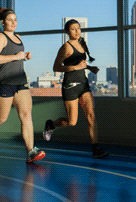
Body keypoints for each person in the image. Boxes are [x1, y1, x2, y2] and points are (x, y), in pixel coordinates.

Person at [0, 7, 45, 163]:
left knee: (27, 115)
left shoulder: (18, 37)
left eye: (15, 19)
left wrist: (24, 58)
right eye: (10, 20)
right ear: (3, 22)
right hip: (4, 82)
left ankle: (31, 152)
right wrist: (15, 56)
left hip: (20, 81)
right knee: (1, 118)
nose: (13, 22)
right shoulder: (0, 38)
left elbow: (16, 58)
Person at [43, 19, 109, 159]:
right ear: (67, 32)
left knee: (91, 116)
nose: (77, 31)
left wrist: (90, 68)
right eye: (73, 29)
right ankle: (51, 125)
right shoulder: (65, 47)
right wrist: (75, 67)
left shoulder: (81, 44)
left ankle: (95, 149)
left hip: (83, 85)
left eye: (78, 28)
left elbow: (82, 63)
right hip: (70, 86)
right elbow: (56, 67)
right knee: (72, 122)